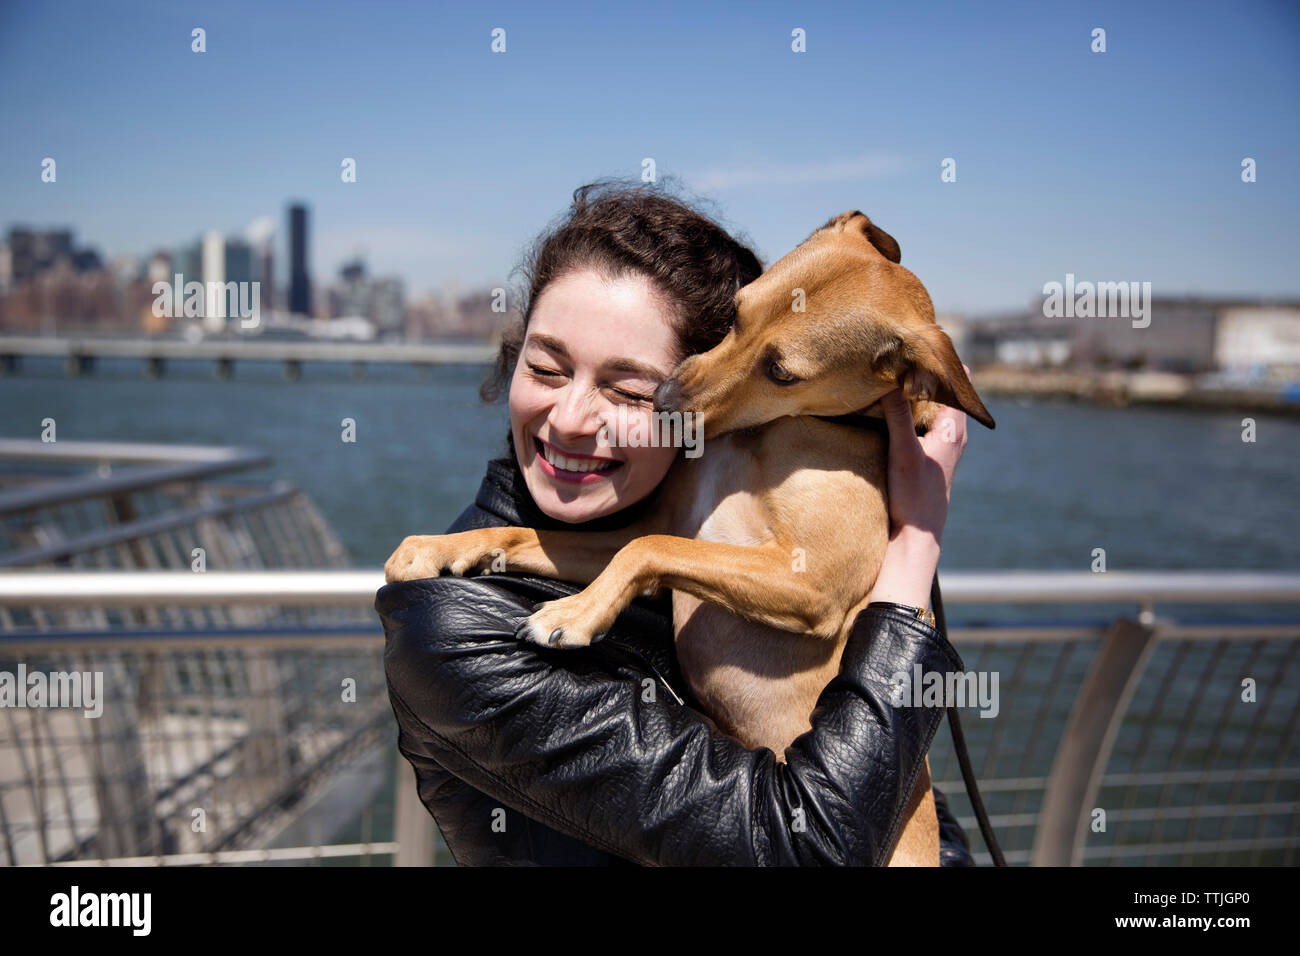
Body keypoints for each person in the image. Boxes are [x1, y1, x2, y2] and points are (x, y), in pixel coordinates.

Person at [377, 180, 976, 866]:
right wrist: (911, 560)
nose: (572, 419)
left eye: (633, 391)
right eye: (545, 366)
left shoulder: (706, 493)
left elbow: (897, 787)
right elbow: (804, 849)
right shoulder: (454, 635)